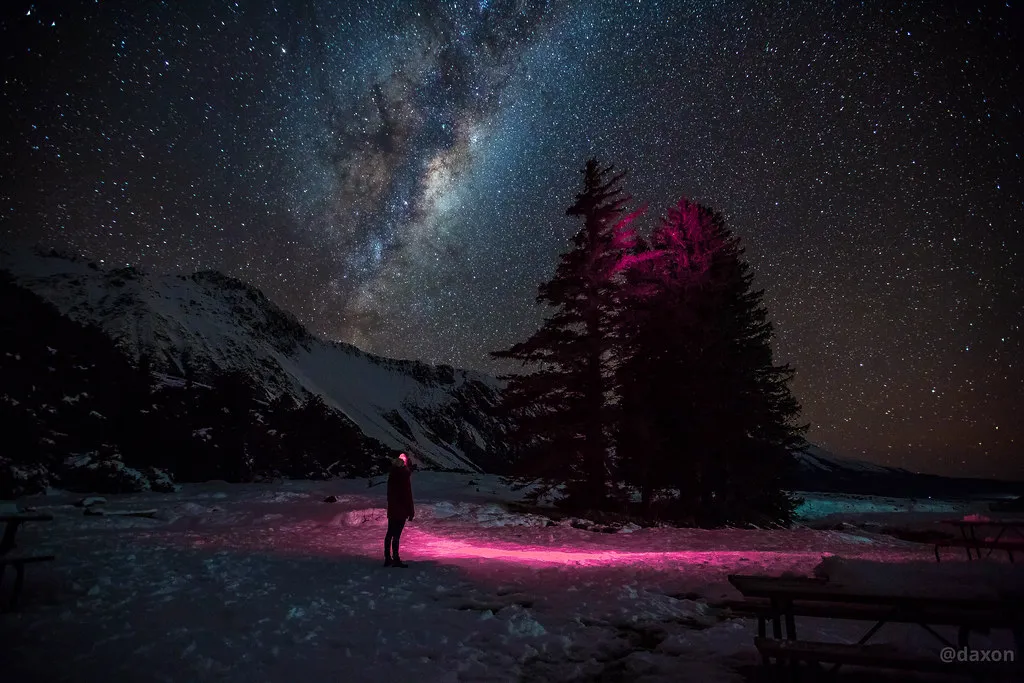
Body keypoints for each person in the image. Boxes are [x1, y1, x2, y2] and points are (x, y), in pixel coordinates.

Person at [384, 452, 414, 567]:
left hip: (393, 509)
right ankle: (395, 558)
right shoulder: (403, 475)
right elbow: (407, 495)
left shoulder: (392, 474)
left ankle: (388, 558)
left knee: (390, 533)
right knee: (396, 534)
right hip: (401, 510)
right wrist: (410, 511)